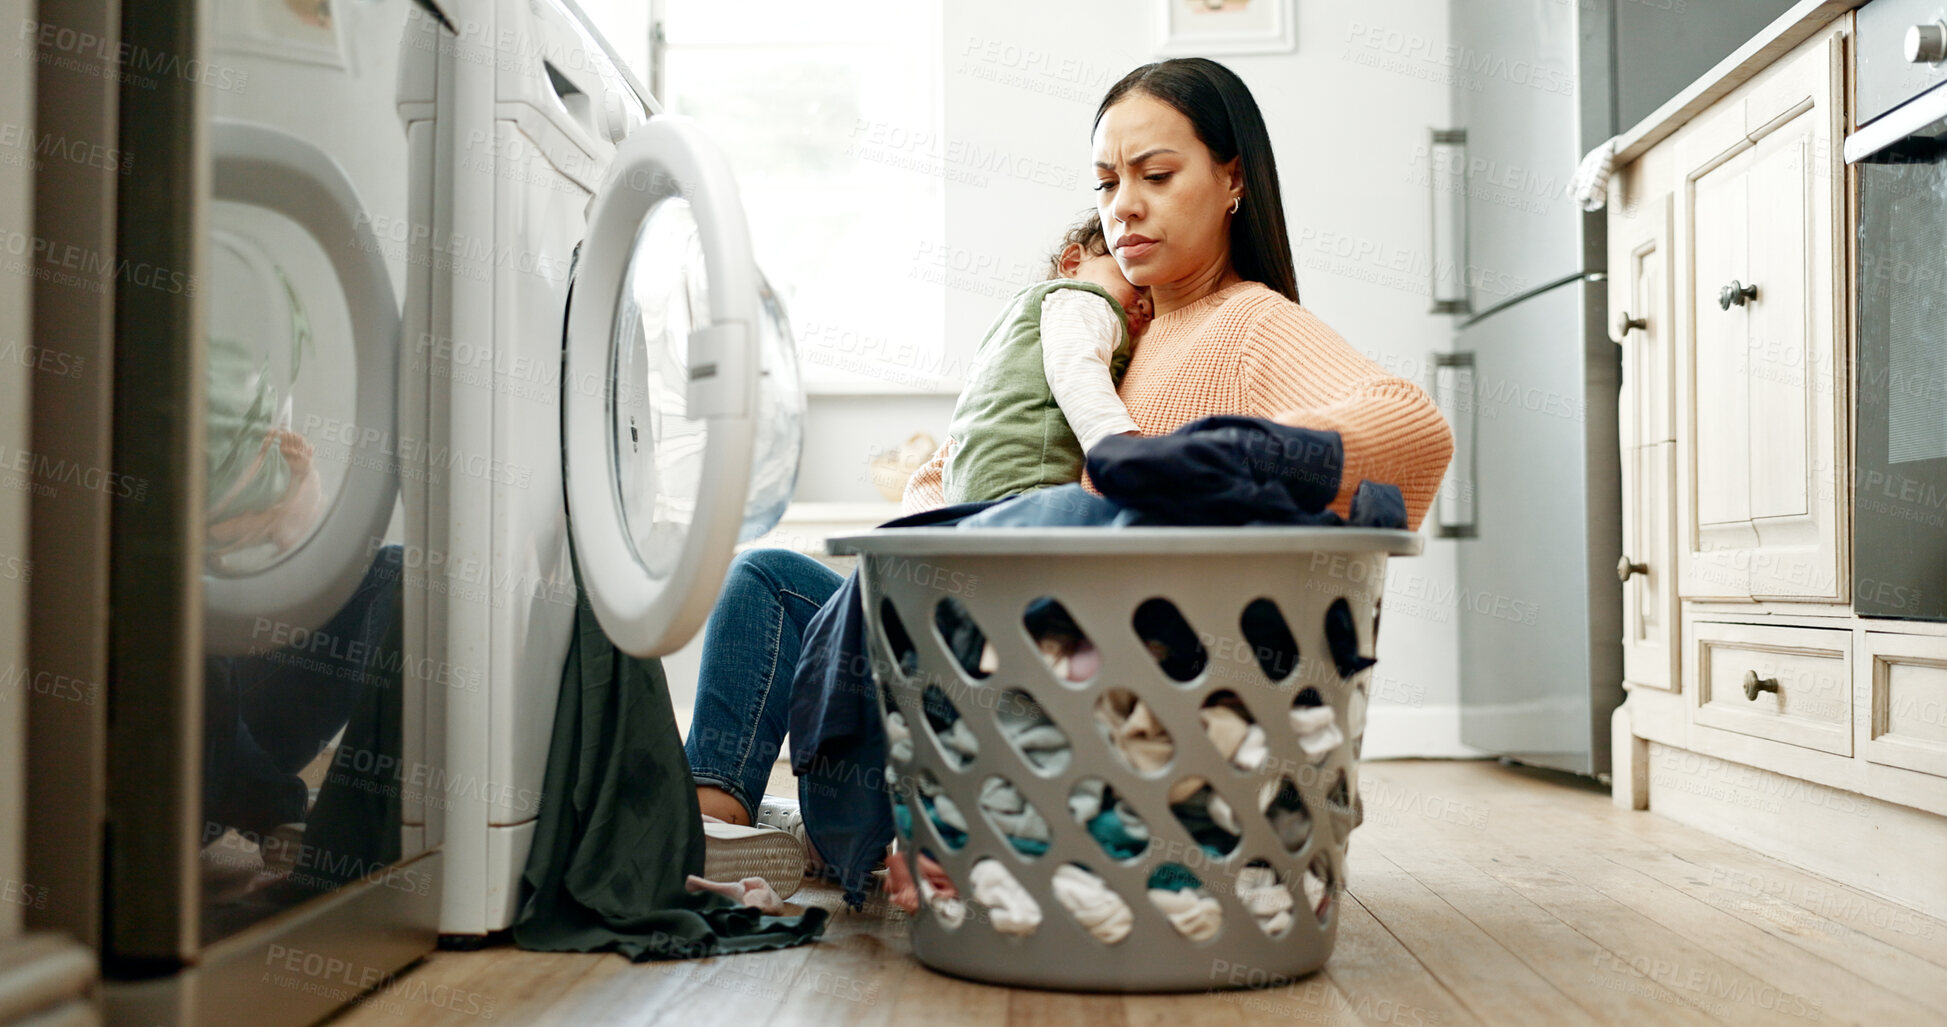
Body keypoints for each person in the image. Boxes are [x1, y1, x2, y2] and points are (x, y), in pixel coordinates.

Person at [683, 56, 1456, 908]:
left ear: (1232, 179)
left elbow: (1413, 428)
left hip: (1111, 677)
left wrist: (1227, 456)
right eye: (1104, 181)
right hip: (986, 627)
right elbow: (977, 470)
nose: (1122, 203)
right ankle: (716, 823)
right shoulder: (1099, 326)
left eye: (1155, 175)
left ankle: (937, 830)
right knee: (763, 576)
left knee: (1045, 523)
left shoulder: (1249, 322)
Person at [938, 209, 1151, 504]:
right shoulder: (1084, 300)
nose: (1145, 305)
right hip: (1028, 487)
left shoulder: (1019, 321)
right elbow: (1076, 369)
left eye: (1152, 298)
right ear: (1073, 263)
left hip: (966, 489)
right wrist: (1118, 446)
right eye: (1134, 281)